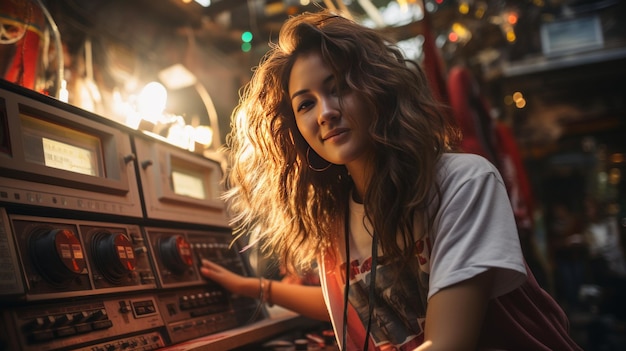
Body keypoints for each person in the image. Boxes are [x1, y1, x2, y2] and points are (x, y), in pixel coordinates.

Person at [200, 10, 583, 351]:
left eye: (340, 88)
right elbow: (354, 296)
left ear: (378, 89)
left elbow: (447, 342)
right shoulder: (333, 220)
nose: (326, 113)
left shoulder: (464, 183)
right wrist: (252, 287)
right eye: (306, 103)